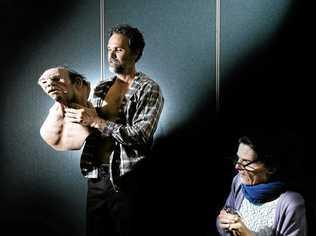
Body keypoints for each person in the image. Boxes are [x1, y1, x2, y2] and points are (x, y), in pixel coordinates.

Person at [46, 24, 163, 236]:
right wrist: (64, 99)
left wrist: (97, 121)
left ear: (135, 52)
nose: (111, 54)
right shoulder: (100, 87)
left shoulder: (149, 88)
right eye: (109, 49)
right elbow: (82, 125)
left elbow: (141, 135)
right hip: (96, 178)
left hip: (128, 181)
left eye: (118, 49)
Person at [217, 132, 307, 236]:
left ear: (271, 168)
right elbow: (223, 219)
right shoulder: (238, 182)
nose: (237, 166)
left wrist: (247, 234)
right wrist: (224, 223)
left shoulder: (291, 203)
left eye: (246, 162)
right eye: (238, 159)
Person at [38, 66, 91, 151]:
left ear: (77, 83)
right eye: (43, 82)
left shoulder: (94, 115)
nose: (48, 84)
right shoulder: (53, 114)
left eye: (56, 79)